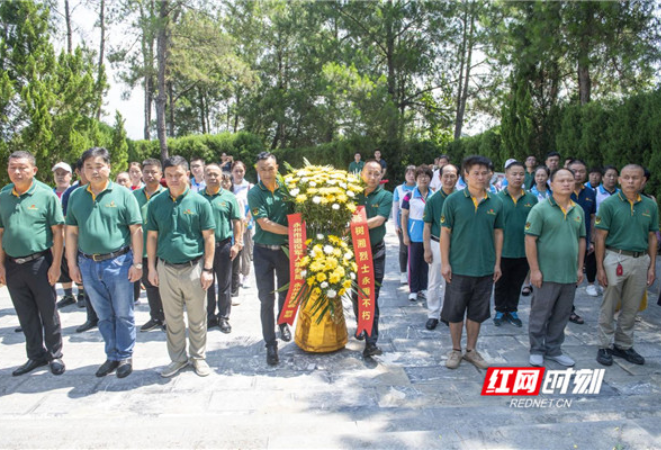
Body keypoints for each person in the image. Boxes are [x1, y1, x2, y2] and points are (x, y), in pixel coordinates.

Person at [66, 147, 143, 378]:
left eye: (99, 165)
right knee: (103, 314)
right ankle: (112, 354)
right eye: (89, 167)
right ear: (82, 171)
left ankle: (126, 355)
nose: (94, 171)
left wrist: (137, 264)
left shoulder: (123, 194)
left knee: (123, 313)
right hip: (88, 265)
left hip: (118, 262)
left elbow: (136, 230)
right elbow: (71, 232)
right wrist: (71, 264)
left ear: (108, 167)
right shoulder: (76, 196)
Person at [147, 156, 216, 378]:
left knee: (197, 317)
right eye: (169, 176)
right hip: (166, 268)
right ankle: (177, 359)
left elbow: (209, 238)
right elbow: (152, 237)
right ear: (163, 177)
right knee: (173, 319)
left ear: (187, 174)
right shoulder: (156, 203)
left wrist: (208, 269)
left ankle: (198, 357)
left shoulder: (200, 202)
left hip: (193, 268)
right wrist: (151, 267)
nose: (174, 179)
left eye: (178, 175)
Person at [0, 151, 66, 376]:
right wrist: (1, 265)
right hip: (13, 265)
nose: (17, 172)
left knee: (48, 312)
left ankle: (55, 355)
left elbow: (58, 232)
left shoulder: (46, 195)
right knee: (25, 314)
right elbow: (1, 233)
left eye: (22, 167)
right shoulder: (3, 195)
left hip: (40, 263)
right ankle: (35, 355)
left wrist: (56, 265)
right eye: (12, 167)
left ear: (34, 170)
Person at [440, 155, 503, 370]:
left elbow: (498, 233)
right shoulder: (453, 201)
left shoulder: (496, 201)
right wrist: (445, 263)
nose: (480, 177)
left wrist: (497, 263)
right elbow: (445, 233)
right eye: (475, 173)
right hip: (458, 268)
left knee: (477, 312)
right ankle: (456, 350)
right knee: (455, 311)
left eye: (485, 173)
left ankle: (471, 350)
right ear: (465, 175)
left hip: (485, 269)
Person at [595, 164, 658, 366]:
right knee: (610, 303)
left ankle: (623, 344)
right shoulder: (609, 204)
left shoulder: (650, 205)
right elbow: (600, 237)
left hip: (641, 260)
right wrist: (600, 267)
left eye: (635, 178)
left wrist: (652, 266)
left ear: (642, 181)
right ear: (620, 180)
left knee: (632, 306)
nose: (631, 181)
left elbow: (652, 237)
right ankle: (604, 345)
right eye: (627, 177)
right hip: (616, 258)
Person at [525, 167, 586, 367]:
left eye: (570, 179)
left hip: (568, 274)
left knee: (561, 314)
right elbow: (530, 240)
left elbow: (582, 240)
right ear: (552, 184)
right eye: (562, 180)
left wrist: (579, 268)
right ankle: (536, 348)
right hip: (546, 273)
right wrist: (534, 270)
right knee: (540, 313)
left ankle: (553, 349)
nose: (567, 183)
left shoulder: (578, 210)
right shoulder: (540, 209)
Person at [247, 152, 294, 366]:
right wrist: (294, 231)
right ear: (257, 170)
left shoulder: (289, 189)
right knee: (266, 298)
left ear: (277, 168)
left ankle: (283, 322)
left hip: (284, 251)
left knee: (286, 291)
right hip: (263, 252)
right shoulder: (255, 193)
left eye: (270, 168)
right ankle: (270, 344)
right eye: (262, 169)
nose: (267, 173)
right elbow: (264, 223)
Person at [354, 160, 393, 358]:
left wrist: (352, 227)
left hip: (375, 252)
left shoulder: (386, 195)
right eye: (369, 173)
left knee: (371, 295)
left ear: (381, 176)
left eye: (376, 174)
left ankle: (371, 342)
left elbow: (379, 220)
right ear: (361, 173)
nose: (372, 177)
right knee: (355, 293)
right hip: (354, 252)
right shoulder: (352, 193)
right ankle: (361, 325)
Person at [493, 161, 538, 327]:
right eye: (514, 174)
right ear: (506, 176)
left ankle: (512, 310)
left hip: (524, 250)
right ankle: (499, 310)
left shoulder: (531, 199)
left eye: (521, 174)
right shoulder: (497, 199)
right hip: (502, 250)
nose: (518, 177)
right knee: (500, 283)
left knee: (517, 283)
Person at [202, 164, 243, 334]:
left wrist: (237, 243)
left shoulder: (229, 198)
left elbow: (237, 222)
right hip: (204, 248)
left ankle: (223, 317)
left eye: (215, 174)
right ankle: (210, 317)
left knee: (224, 285)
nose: (212, 177)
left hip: (224, 246)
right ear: (204, 176)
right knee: (207, 285)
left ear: (222, 177)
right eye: (209, 174)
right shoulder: (197, 198)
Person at [59, 159, 98, 331]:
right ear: (78, 171)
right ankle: (92, 317)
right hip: (83, 248)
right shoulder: (71, 194)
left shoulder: (104, 190)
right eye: (86, 168)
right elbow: (69, 224)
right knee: (88, 285)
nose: (90, 172)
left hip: (108, 249)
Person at [422, 163, 458, 330]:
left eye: (452, 176)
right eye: (446, 176)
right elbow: (427, 226)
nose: (449, 179)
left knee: (452, 281)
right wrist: (427, 249)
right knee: (434, 280)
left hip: (458, 246)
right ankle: (433, 314)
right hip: (436, 243)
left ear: (457, 177)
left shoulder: (463, 197)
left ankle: (447, 313)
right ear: (440, 177)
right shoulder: (433, 200)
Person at [133, 159, 166, 332]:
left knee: (166, 286)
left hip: (163, 250)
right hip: (143, 250)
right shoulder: (134, 196)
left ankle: (169, 318)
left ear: (161, 174)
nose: (149, 175)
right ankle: (156, 317)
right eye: (146, 172)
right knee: (150, 285)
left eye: (153, 172)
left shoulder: (168, 195)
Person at [401, 165, 433, 302]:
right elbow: (404, 216)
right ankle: (413, 290)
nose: (423, 179)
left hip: (430, 236)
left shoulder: (434, 195)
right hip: (414, 236)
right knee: (414, 264)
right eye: (420, 176)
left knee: (426, 264)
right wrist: (405, 235)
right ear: (416, 178)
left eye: (426, 176)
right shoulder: (409, 195)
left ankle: (423, 288)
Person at [569, 159, 597, 310]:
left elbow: (592, 216)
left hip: (582, 241)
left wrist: (591, 240)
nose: (577, 174)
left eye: (581, 171)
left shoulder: (590, 193)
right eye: (574, 171)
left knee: (575, 277)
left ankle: (569, 309)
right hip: (563, 241)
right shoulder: (562, 190)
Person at [231, 161, 254, 294]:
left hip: (246, 222)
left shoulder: (249, 187)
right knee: (235, 249)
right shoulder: (228, 186)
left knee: (246, 250)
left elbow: (252, 205)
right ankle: (237, 274)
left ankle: (246, 276)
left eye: (241, 171)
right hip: (233, 224)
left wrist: (246, 221)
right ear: (232, 171)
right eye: (236, 171)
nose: (239, 173)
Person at [392, 166, 416, 284]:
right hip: (403, 219)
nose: (411, 176)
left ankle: (415, 274)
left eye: (413, 173)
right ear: (405, 175)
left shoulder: (420, 188)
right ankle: (403, 273)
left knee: (417, 248)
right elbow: (395, 207)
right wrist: (396, 225)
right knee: (404, 248)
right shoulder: (399, 189)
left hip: (417, 219)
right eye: (409, 173)